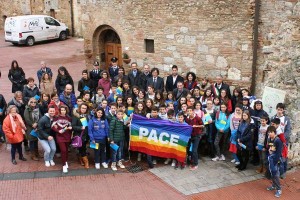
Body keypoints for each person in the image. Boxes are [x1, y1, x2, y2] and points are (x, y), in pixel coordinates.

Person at [52, 105, 72, 173]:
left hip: (67, 136)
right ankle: (63, 165)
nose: (63, 111)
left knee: (66, 150)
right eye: (62, 110)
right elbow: (52, 126)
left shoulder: (68, 118)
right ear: (59, 111)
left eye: (64, 110)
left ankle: (65, 161)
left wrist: (70, 128)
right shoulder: (56, 118)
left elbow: (70, 126)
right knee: (63, 150)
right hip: (60, 136)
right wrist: (58, 130)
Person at [266, 126, 283, 198]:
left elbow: (279, 152)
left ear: (275, 132)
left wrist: (275, 162)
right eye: (269, 132)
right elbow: (269, 147)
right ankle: (273, 185)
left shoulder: (278, 140)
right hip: (270, 159)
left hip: (276, 160)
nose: (269, 133)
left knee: (275, 174)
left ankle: (279, 189)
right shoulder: (269, 138)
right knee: (271, 173)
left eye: (271, 132)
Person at [185, 106, 204, 170]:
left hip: (197, 136)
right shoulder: (187, 119)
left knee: (194, 150)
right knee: (189, 150)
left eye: (190, 111)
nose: (189, 112)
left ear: (193, 111)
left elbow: (203, 125)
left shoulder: (197, 118)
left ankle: (196, 164)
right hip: (190, 136)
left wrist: (196, 126)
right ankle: (190, 161)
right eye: (188, 111)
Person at [72, 103, 90, 168]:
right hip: (79, 135)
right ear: (80, 108)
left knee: (82, 148)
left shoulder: (87, 116)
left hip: (86, 135)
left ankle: (81, 159)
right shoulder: (76, 116)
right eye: (82, 108)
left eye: (85, 108)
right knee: (82, 149)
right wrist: (80, 128)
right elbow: (73, 126)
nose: (84, 109)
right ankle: (86, 162)